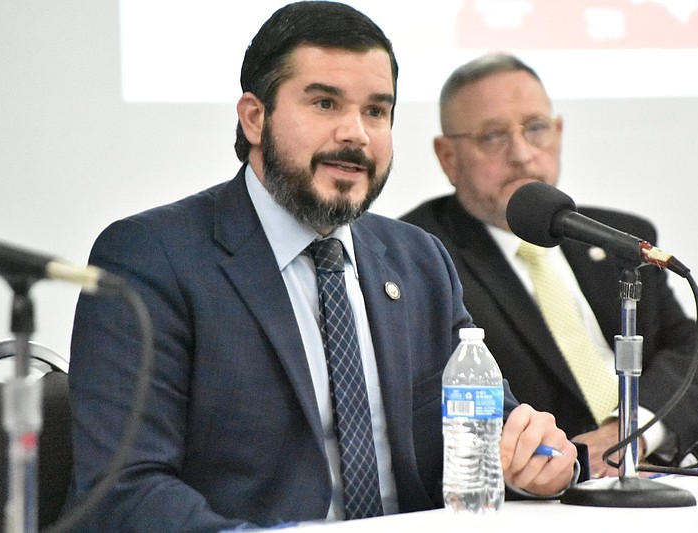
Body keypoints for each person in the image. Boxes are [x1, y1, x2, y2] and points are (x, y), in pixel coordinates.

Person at [65, 5, 579, 531]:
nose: (356, 133)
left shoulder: (419, 261)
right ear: (255, 118)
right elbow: (126, 491)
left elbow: (499, 438)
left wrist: (537, 464)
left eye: (376, 112)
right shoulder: (153, 258)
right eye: (325, 103)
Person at [401, 53, 698, 478]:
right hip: (545, 497)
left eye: (535, 128)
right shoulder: (418, 256)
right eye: (492, 136)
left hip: (676, 475)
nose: (521, 154)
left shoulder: (617, 237)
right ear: (448, 157)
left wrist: (630, 433)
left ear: (558, 133)